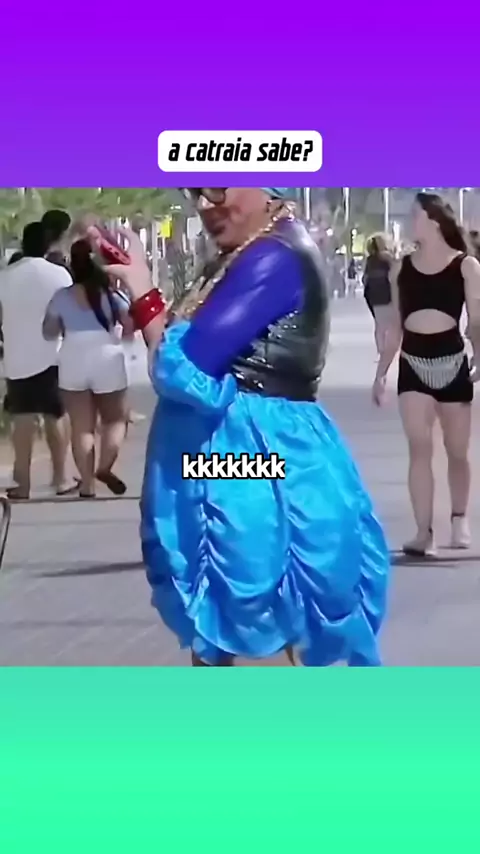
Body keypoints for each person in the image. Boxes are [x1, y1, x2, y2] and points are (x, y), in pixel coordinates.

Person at [100, 188, 390, 667]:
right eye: (194, 191)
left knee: (251, 620)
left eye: (218, 186)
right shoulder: (249, 249)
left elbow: (181, 366)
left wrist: (144, 291)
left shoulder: (272, 256)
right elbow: (174, 356)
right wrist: (140, 288)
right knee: (231, 628)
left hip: (254, 464)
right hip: (243, 456)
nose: (204, 204)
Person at [372, 192, 480, 556]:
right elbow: (395, 326)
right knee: (419, 447)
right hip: (413, 363)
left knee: (457, 451)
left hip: (452, 361)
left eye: (414, 215)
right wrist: (381, 373)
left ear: (434, 221)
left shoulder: (465, 266)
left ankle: (459, 519)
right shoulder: (401, 268)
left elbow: (477, 320)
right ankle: (424, 532)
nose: (409, 221)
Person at [43, 239, 134, 498]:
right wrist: (126, 345)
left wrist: (63, 325)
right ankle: (104, 467)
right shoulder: (112, 296)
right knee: (115, 419)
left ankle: (86, 484)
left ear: (73, 265)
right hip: (106, 354)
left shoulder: (61, 296)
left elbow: (49, 332)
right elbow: (129, 324)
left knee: (81, 427)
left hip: (73, 355)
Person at [0, 222, 77, 499]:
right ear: (47, 245)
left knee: (22, 418)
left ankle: (22, 482)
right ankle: (61, 478)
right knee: (54, 414)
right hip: (51, 355)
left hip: (16, 357)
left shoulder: (5, 276)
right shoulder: (58, 275)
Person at [363, 233, 394, 356]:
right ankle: (386, 350)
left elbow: (365, 278)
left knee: (379, 325)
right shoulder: (387, 257)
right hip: (387, 294)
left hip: (374, 296)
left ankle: (381, 350)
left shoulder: (370, 260)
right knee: (389, 325)